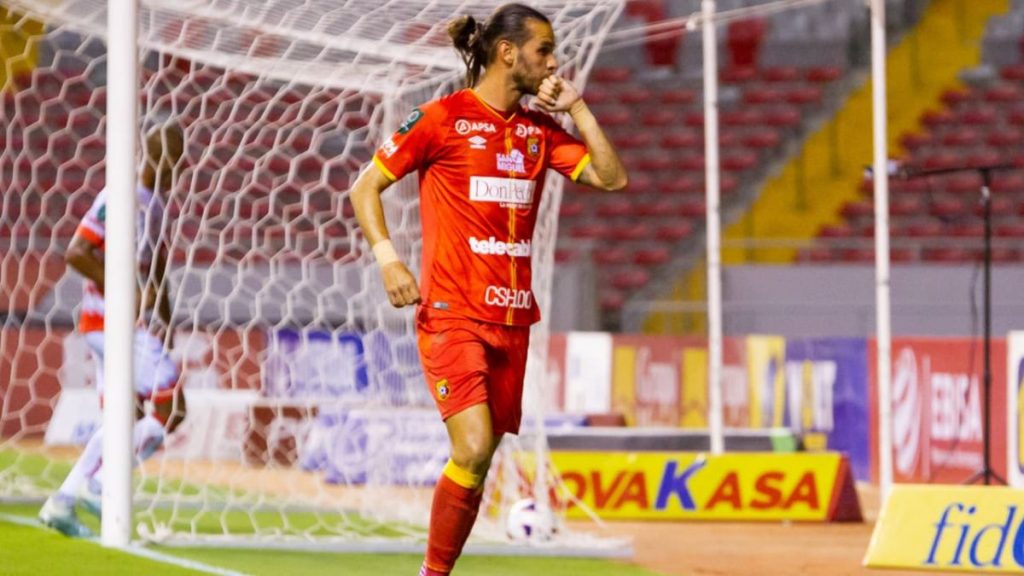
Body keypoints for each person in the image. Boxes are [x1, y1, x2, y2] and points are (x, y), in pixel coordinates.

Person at [349, 4, 627, 574]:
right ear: (508, 53)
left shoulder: (539, 131)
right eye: (543, 51)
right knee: (472, 447)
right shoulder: (441, 118)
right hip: (452, 315)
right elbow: (364, 188)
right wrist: (388, 260)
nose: (552, 62)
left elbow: (610, 177)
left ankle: (438, 571)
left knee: (477, 464)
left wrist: (576, 108)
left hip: (513, 322)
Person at [39, 123, 187, 537]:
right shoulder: (118, 198)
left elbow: (156, 270)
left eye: (179, 158)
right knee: (171, 408)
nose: (177, 167)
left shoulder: (153, 207)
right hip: (109, 322)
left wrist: (166, 320)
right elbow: (77, 253)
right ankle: (102, 484)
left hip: (128, 325)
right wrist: (125, 289)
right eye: (171, 156)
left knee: (125, 417)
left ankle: (62, 503)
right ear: (151, 155)